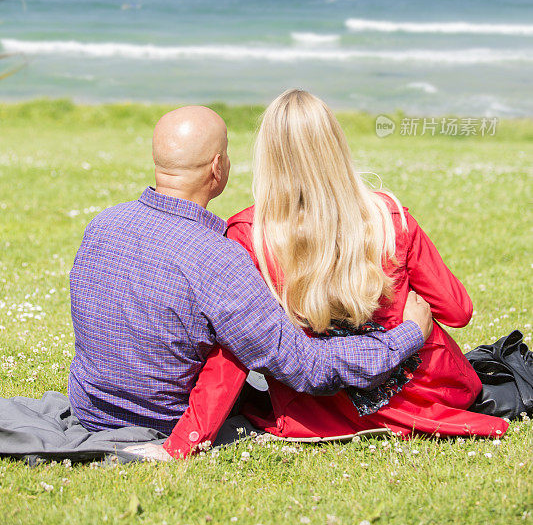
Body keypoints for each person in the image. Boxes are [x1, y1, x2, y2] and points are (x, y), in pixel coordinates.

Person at [68, 104, 431, 462]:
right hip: (167, 422)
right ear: (218, 166)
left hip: (90, 410)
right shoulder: (217, 257)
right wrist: (407, 335)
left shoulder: (103, 223)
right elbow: (307, 368)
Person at [167, 91, 508, 457]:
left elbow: (235, 348)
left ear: (268, 157)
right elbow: (459, 312)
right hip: (426, 398)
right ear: (335, 147)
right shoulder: (389, 218)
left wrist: (187, 439)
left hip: (314, 415)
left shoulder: (247, 234)